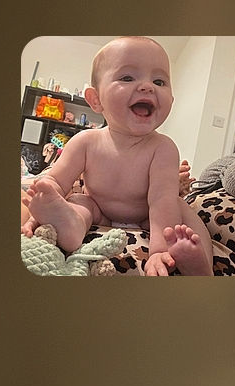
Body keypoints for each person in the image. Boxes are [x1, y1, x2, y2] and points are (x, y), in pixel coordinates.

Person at [21, 37, 212, 276]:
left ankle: (199, 261)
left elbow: (161, 201)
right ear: (95, 99)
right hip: (100, 209)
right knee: (80, 202)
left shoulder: (163, 148)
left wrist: (158, 251)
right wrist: (41, 209)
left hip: (145, 215)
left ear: (171, 100)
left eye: (159, 81)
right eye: (127, 78)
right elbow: (56, 181)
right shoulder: (85, 141)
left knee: (180, 209)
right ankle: (70, 226)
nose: (147, 86)